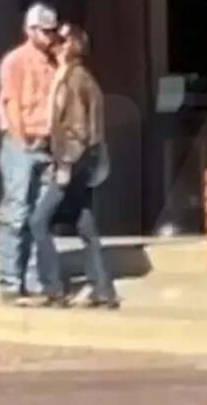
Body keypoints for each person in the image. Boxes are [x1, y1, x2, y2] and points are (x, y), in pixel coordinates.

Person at [29, 23, 119, 310]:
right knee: (85, 225)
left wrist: (65, 164)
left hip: (75, 163)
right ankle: (102, 289)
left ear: (72, 45)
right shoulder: (71, 75)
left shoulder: (75, 79)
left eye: (62, 38)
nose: (55, 40)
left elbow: (78, 129)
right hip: (83, 162)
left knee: (39, 221)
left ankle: (53, 288)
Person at [0, 2, 59, 304]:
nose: (50, 36)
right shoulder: (14, 61)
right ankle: (10, 281)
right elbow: (11, 103)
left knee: (38, 216)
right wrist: (23, 140)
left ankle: (34, 281)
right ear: (30, 30)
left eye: (52, 31)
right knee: (16, 213)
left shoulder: (55, 62)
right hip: (21, 144)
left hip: (47, 144)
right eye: (45, 31)